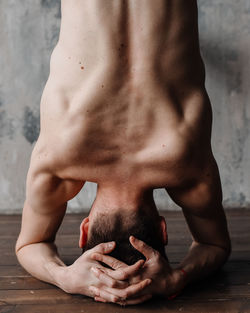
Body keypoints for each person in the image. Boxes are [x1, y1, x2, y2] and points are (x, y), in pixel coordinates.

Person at [15, 0, 231, 306]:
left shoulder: (186, 164)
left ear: (163, 229)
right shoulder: (59, 159)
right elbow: (29, 244)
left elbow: (215, 245)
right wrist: (63, 276)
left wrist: (178, 276)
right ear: (84, 229)